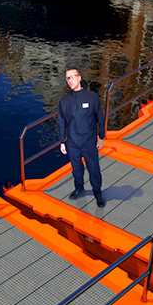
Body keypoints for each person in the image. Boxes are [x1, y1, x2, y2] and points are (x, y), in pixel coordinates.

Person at [58, 67, 106, 207]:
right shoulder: (65, 100)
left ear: (79, 78)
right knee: (76, 168)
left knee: (94, 168)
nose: (70, 81)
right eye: (67, 78)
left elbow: (100, 118)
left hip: (89, 141)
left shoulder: (92, 97)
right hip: (72, 142)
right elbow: (61, 122)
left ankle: (97, 193)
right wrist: (62, 141)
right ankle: (79, 188)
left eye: (72, 77)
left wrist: (101, 137)